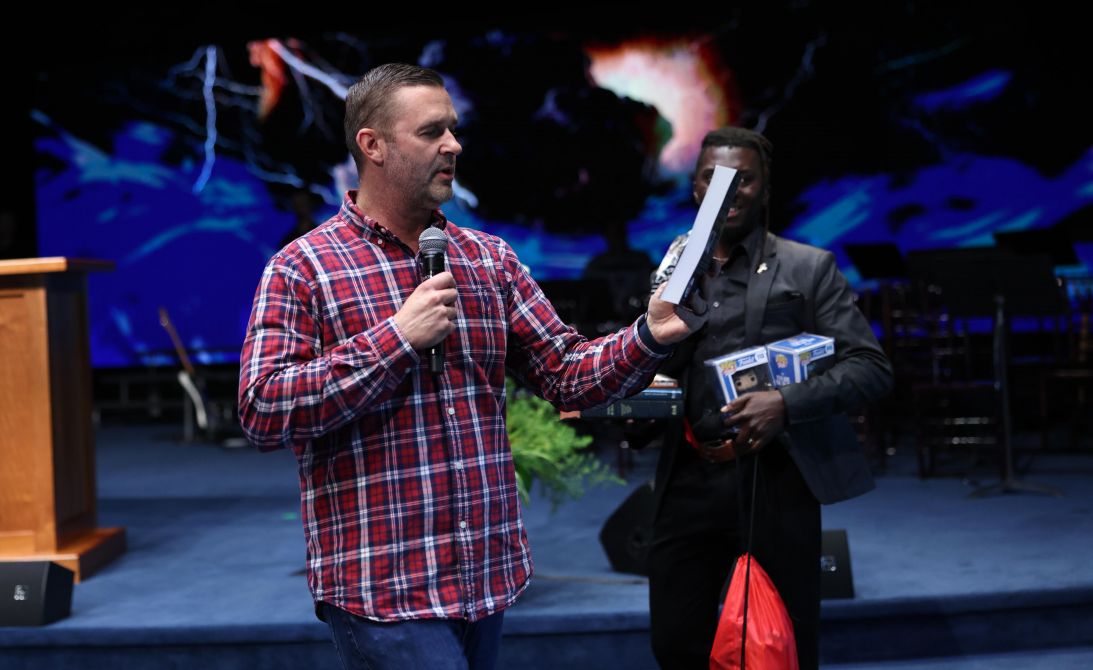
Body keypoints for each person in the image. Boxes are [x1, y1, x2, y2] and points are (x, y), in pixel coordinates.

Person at [239, 63, 702, 670]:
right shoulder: (304, 268)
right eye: (431, 131)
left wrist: (650, 334)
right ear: (372, 145)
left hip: (483, 576)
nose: (453, 145)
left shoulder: (488, 260)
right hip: (384, 587)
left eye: (453, 129)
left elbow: (567, 374)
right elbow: (263, 409)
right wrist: (397, 339)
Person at [632, 127, 893, 670]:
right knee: (675, 643)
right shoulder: (674, 269)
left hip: (777, 477)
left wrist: (786, 403)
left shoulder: (808, 267)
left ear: (765, 190)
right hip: (689, 476)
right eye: (713, 178)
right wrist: (635, 402)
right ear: (696, 188)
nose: (727, 191)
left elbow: (871, 368)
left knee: (782, 647)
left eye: (742, 179)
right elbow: (657, 363)